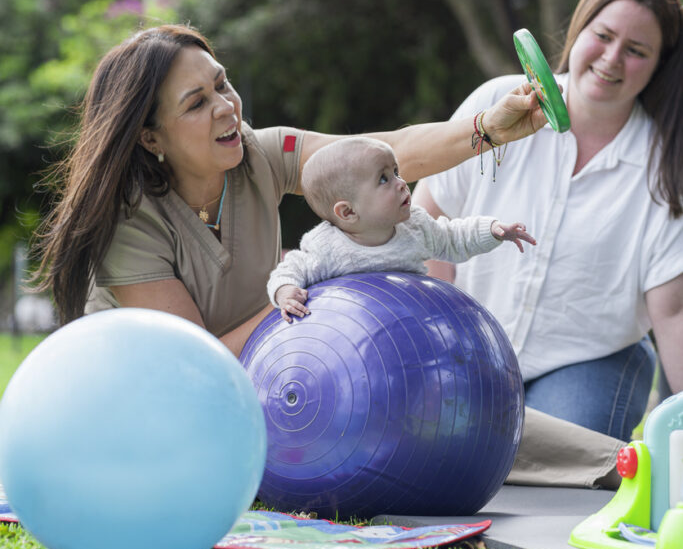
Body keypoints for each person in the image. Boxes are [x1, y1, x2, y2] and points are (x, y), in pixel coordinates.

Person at [35, 24, 549, 356]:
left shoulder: (262, 154)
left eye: (222, 83)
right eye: (196, 103)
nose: (225, 106)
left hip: (266, 366)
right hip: (155, 405)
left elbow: (384, 154)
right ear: (151, 138)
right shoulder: (131, 224)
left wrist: (490, 128)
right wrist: (319, 291)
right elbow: (195, 365)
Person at [413, 0, 683, 441]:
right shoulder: (500, 101)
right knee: (446, 447)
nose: (613, 58)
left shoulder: (665, 168)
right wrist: (442, 330)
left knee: (543, 465)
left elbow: (673, 313)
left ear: (659, 65)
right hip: (472, 343)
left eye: (637, 50)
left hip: (588, 361)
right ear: (579, 30)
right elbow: (429, 214)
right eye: (603, 35)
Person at [268, 136, 535, 321]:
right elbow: (291, 268)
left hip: (408, 325)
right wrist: (285, 291)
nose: (401, 183)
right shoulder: (326, 247)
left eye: (396, 171)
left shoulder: (415, 227)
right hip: (354, 333)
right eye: (384, 179)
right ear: (348, 212)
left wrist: (492, 230)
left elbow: (453, 238)